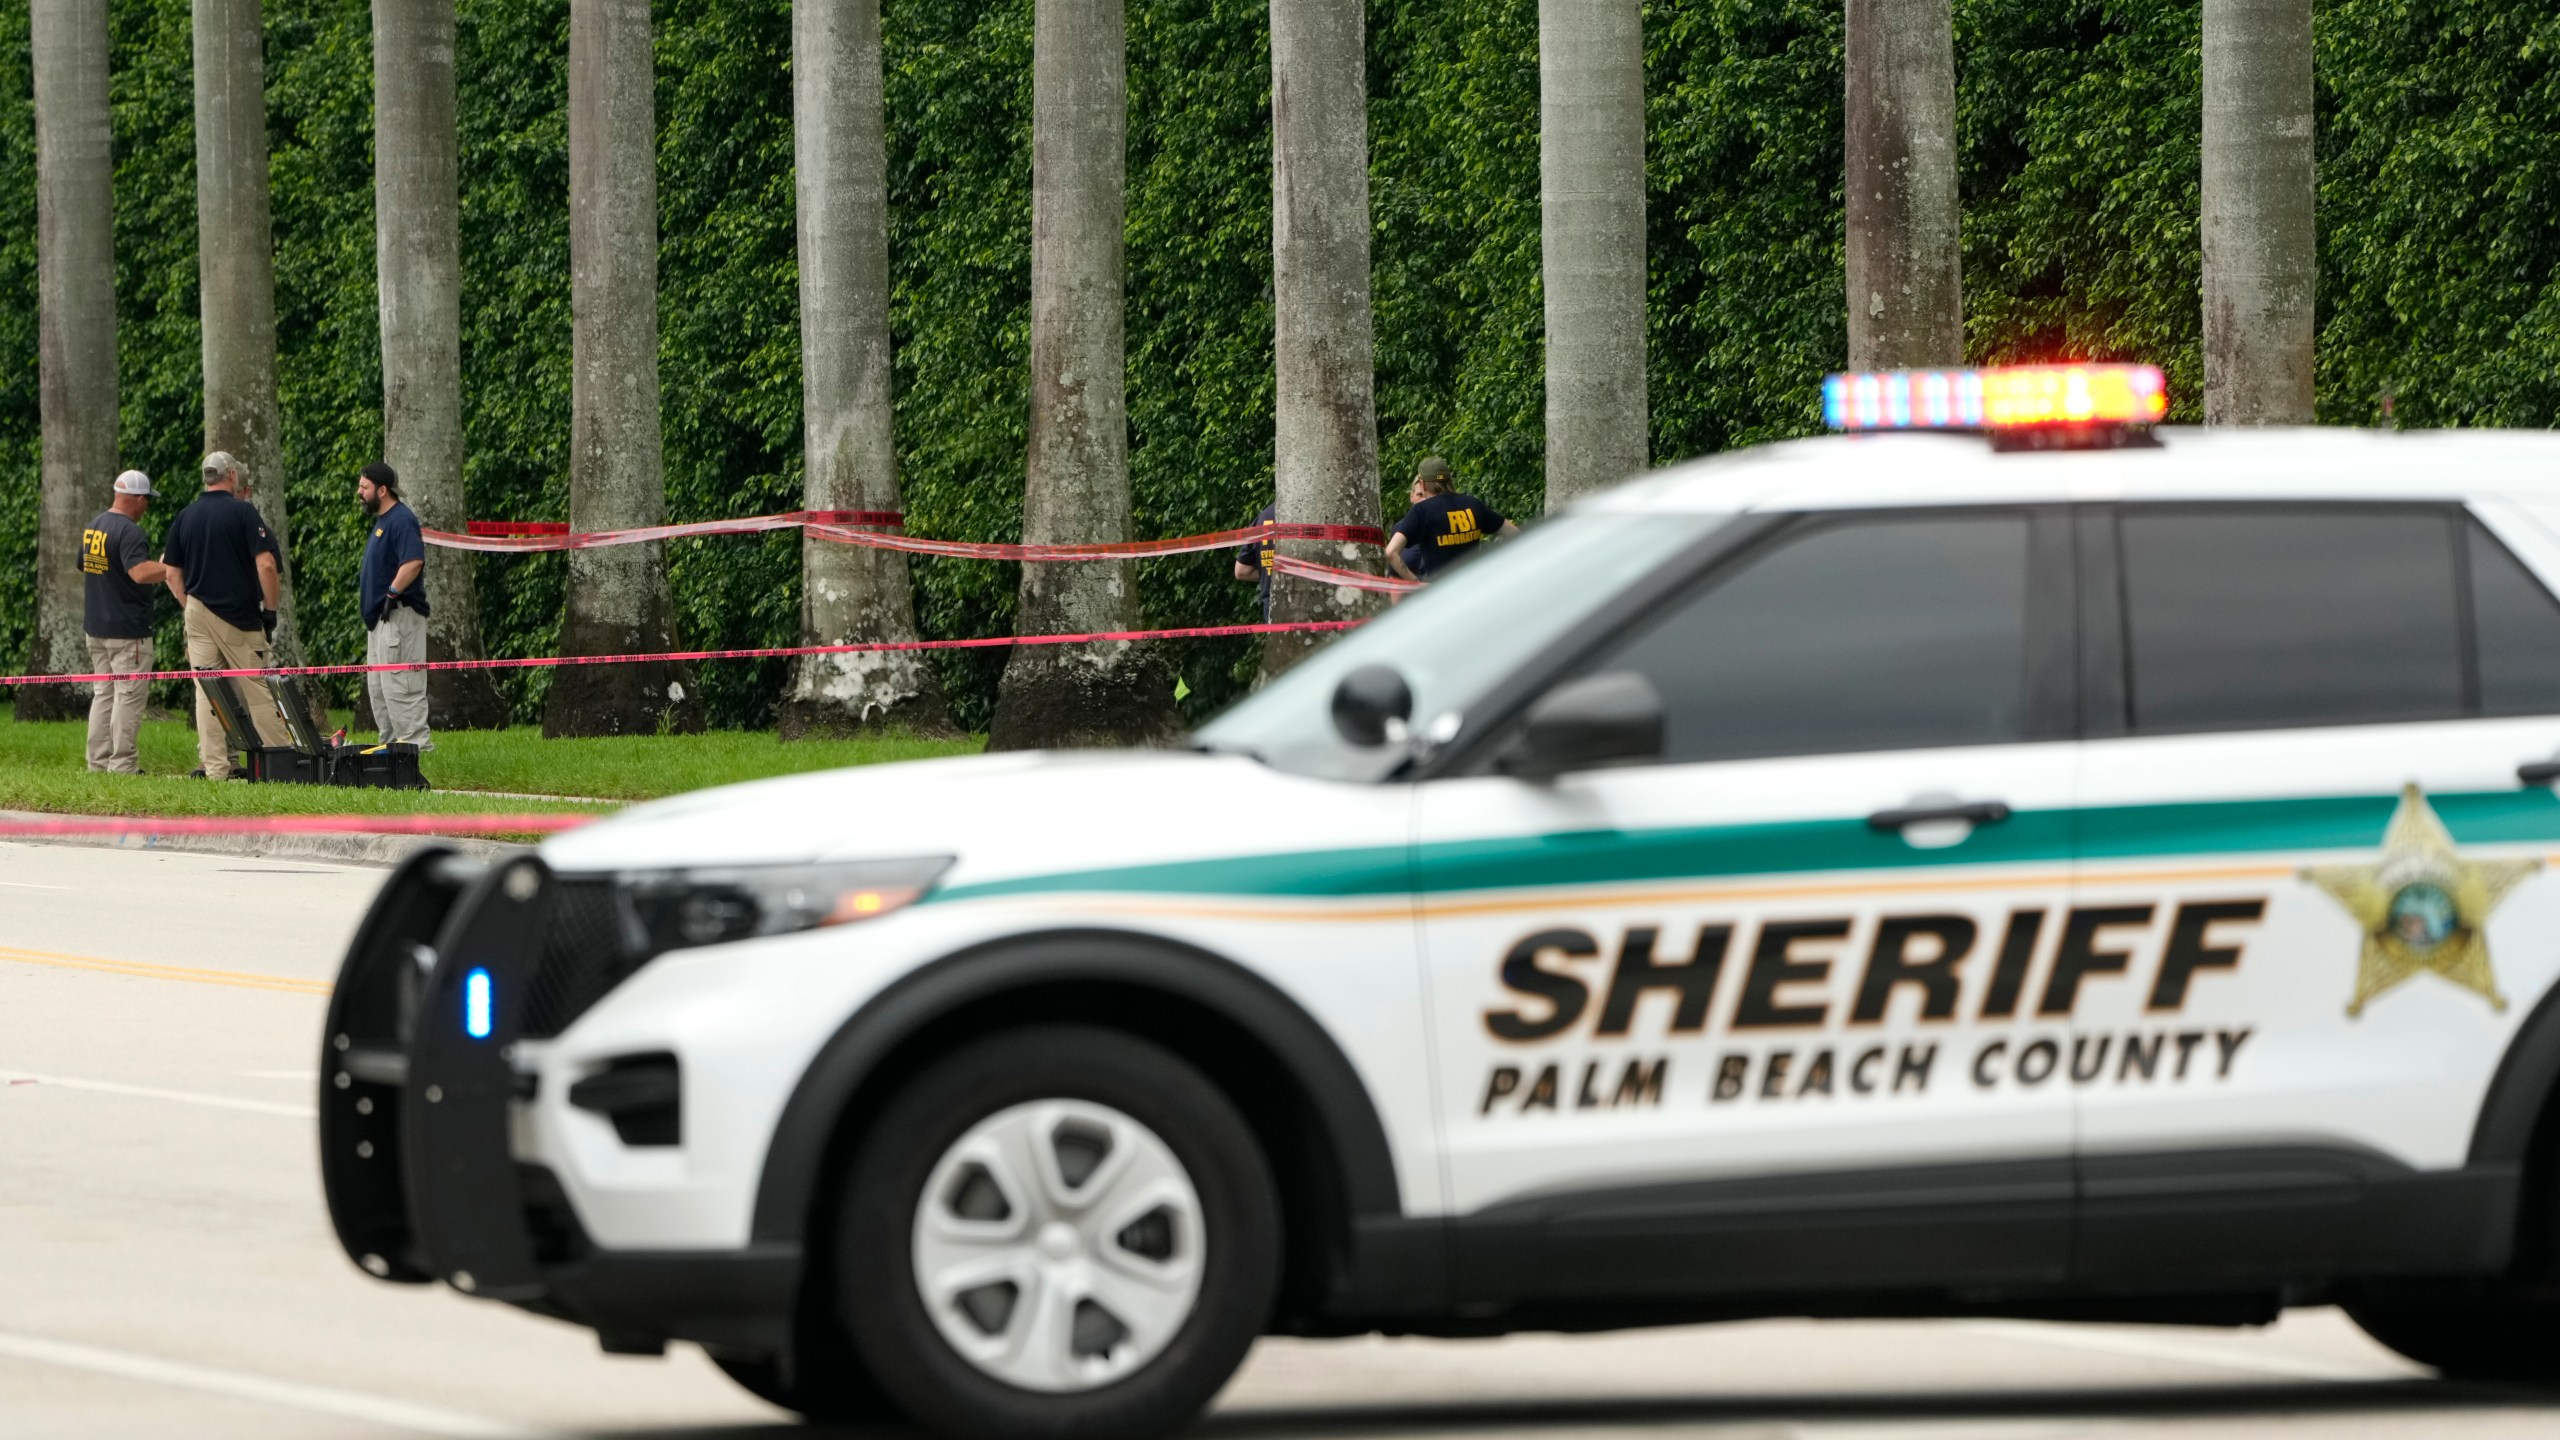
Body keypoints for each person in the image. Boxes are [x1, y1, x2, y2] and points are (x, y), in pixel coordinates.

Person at [161, 451, 289, 778]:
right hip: (238, 616)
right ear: (231, 475)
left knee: (208, 690)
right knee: (256, 688)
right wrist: (270, 611)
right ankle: (279, 765)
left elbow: (171, 572)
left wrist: (189, 605)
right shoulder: (243, 513)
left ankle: (216, 768)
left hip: (198, 612)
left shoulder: (185, 516)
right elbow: (266, 564)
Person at [80, 470, 167, 774]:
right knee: (128, 697)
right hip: (127, 630)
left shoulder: (94, 526)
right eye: (147, 501)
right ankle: (122, 767)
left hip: (97, 628)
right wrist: (169, 568)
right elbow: (140, 573)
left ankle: (98, 763)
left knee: (104, 694)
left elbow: (85, 565)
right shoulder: (130, 532)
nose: (147, 507)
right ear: (138, 499)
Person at [356, 462, 433, 751]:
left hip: (399, 617)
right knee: (380, 691)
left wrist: (391, 594)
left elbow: (413, 561)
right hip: (380, 622)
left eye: (364, 487)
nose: (359, 492)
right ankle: (390, 753)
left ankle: (417, 750)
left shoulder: (401, 520)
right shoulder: (382, 522)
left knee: (402, 688)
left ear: (383, 490)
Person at [1383, 456, 1520, 583]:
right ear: (1449, 480)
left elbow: (1391, 552)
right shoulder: (1473, 504)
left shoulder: (1422, 511)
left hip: (1442, 595)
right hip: (1475, 589)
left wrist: (1416, 583)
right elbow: (1514, 533)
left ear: (1423, 484)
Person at [1233, 501, 1277, 621]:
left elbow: (1242, 571)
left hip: (1273, 608)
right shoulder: (1319, 512)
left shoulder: (1264, 517)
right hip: (1313, 605)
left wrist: (1269, 572)